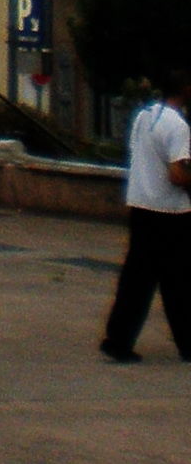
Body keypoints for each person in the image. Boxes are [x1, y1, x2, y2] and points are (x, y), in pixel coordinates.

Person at [100, 67, 191, 362]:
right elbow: (178, 174)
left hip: (140, 204)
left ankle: (118, 338)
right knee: (177, 280)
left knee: (137, 278)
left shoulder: (145, 116)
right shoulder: (178, 126)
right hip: (169, 211)